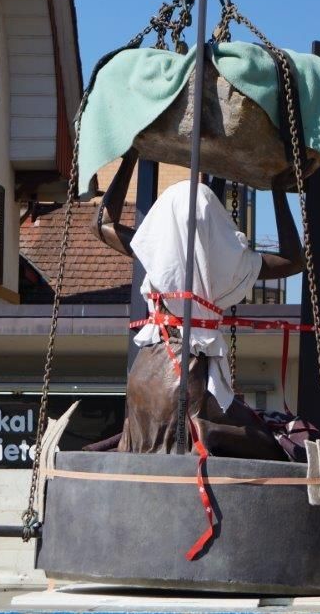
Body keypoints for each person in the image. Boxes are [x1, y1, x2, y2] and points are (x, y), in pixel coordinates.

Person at [92, 153, 305, 458]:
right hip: (188, 367)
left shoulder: (155, 253)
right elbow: (293, 259)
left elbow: (102, 223)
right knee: (265, 441)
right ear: (216, 225)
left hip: (148, 365)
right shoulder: (231, 265)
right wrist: (276, 189)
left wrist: (130, 158)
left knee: (145, 447)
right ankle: (206, 431)